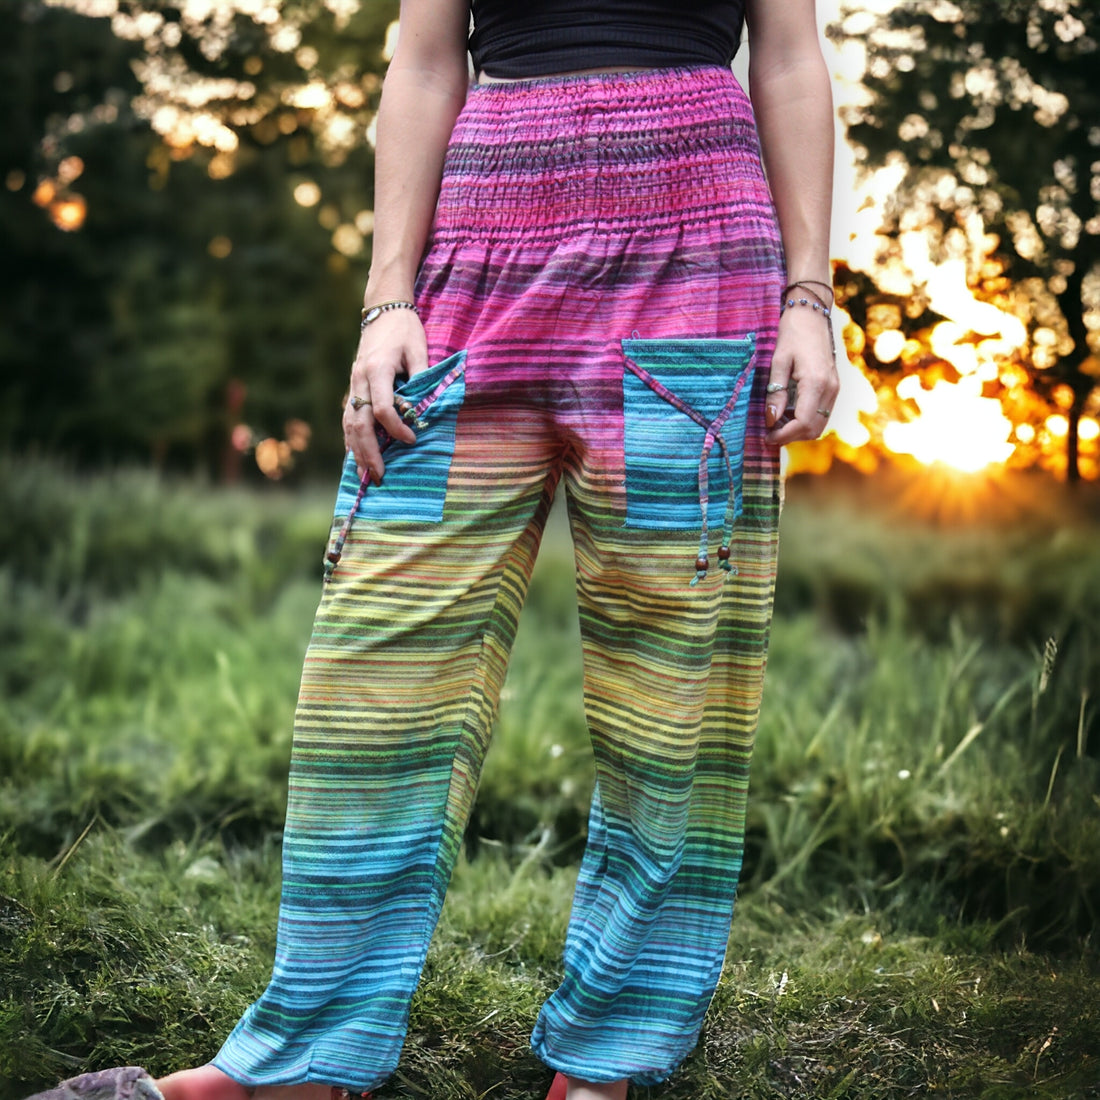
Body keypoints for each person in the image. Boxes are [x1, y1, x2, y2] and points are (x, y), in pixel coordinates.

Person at [30, 2, 837, 1099]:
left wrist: (808, 295)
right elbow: (419, 62)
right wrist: (385, 298)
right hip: (477, 247)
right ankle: (300, 1064)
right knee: (376, 672)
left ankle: (606, 1063)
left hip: (698, 249)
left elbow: (787, 55)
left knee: (671, 689)